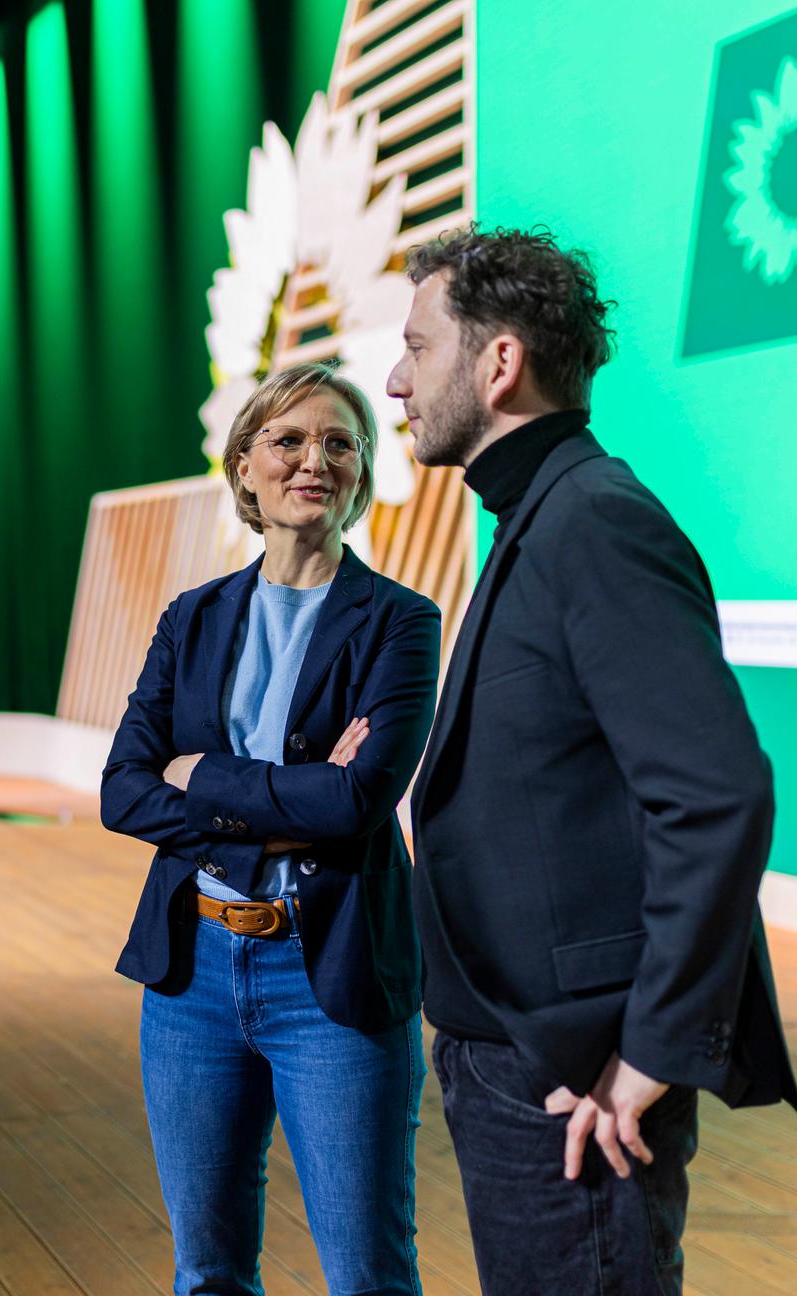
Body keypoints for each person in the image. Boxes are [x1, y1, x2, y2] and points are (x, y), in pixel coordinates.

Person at [385, 224, 797, 1295]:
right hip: (521, 1058)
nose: (395, 379)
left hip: (571, 1083)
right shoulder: (540, 516)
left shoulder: (594, 523)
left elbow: (716, 797)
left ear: (500, 362)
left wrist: (652, 1053)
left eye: (418, 348)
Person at [101, 363, 440, 1295]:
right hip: (191, 977)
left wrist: (201, 775)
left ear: (362, 474)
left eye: (340, 444)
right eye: (288, 441)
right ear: (245, 465)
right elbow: (123, 791)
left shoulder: (402, 625)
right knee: (207, 1273)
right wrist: (289, 799)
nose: (314, 461)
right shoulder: (191, 618)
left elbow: (355, 805)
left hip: (330, 972)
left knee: (368, 1274)